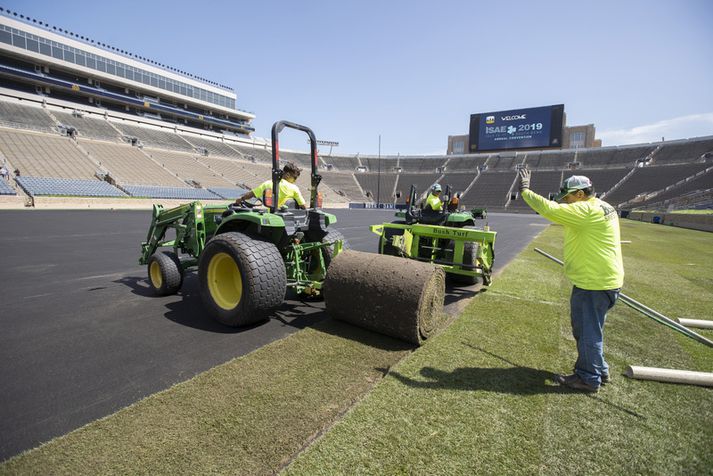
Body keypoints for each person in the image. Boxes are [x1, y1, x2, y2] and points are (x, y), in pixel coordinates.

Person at [518, 169, 624, 393]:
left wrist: (525, 190)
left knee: (586, 332)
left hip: (593, 282)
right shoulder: (605, 206)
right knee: (594, 329)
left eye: (567, 197)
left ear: (578, 194)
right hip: (606, 279)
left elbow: (549, 209)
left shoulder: (585, 210)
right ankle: (600, 370)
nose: (566, 202)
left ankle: (588, 378)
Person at [235, 161, 306, 209]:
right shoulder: (294, 188)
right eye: (294, 178)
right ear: (287, 175)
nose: (295, 180)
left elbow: (251, 194)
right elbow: (302, 205)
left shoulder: (268, 183)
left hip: (271, 217)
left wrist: (241, 199)